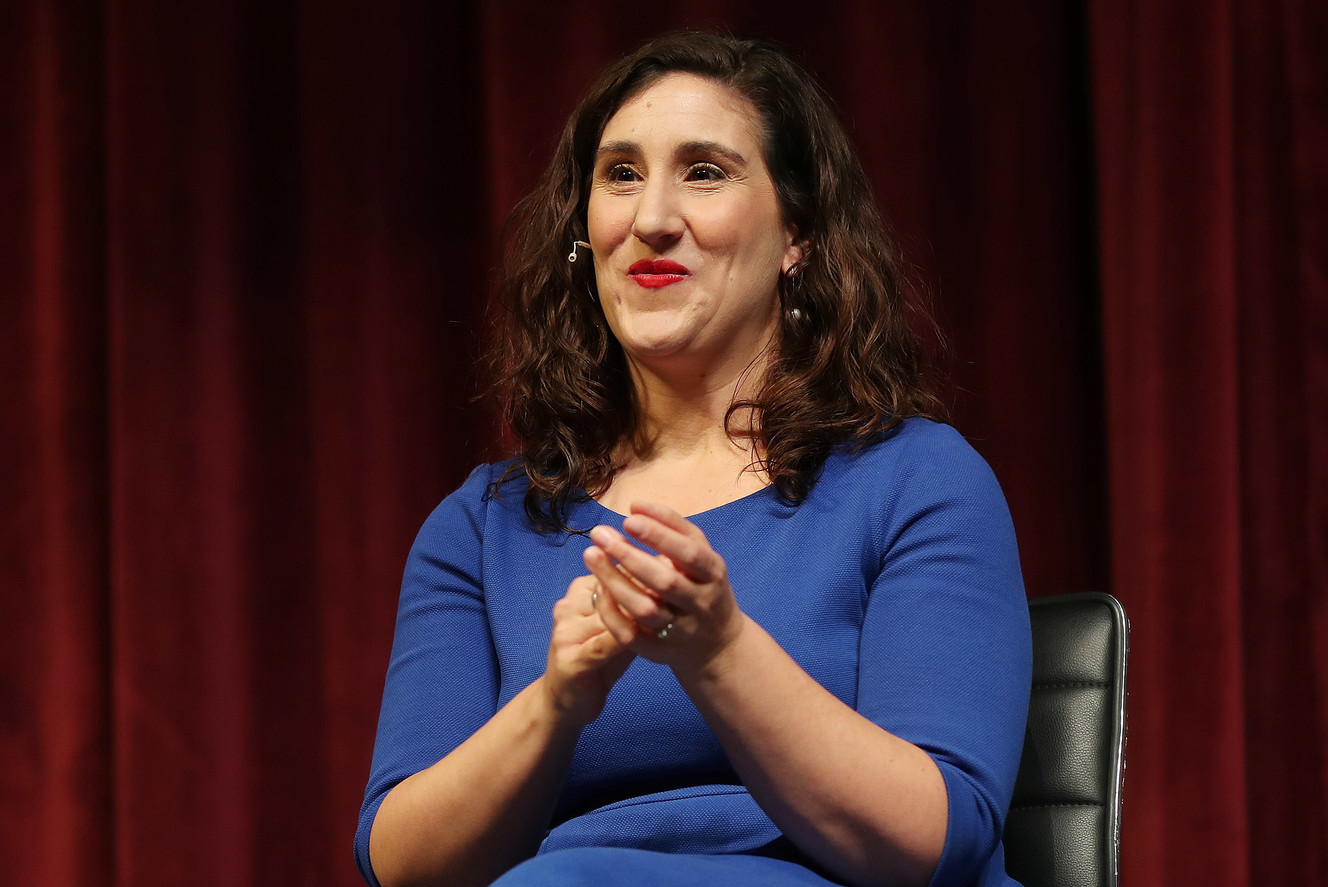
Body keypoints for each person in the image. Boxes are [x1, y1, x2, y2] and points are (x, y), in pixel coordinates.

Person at [355, 31, 1031, 887]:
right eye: (621, 175)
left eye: (704, 172)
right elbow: (402, 867)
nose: (652, 219)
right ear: (583, 231)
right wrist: (556, 702)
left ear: (800, 235)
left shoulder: (917, 480)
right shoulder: (485, 527)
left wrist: (718, 651)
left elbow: (941, 841)